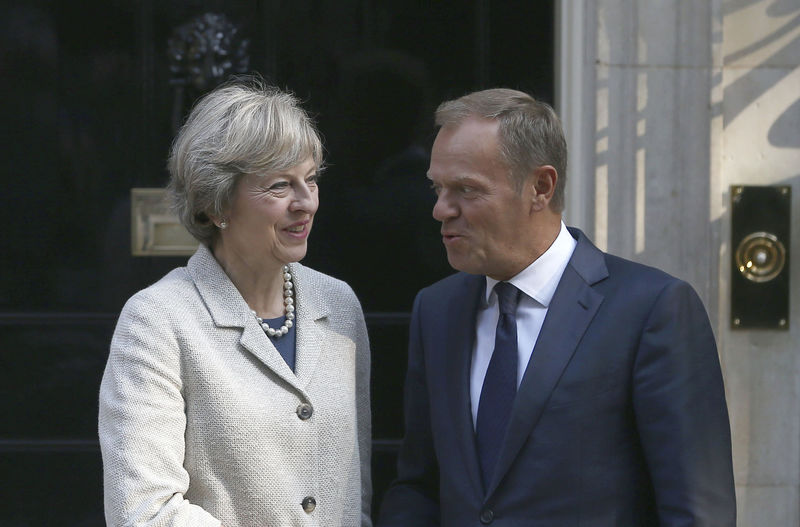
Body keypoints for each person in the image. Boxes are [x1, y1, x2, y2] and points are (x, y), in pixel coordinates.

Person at [378, 88, 735, 526]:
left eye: (466, 190)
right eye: (438, 188)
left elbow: (695, 510)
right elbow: (420, 485)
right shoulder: (436, 310)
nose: (440, 209)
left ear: (540, 188)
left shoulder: (651, 310)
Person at [99, 78, 372, 527]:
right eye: (280, 186)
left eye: (312, 180)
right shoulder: (156, 321)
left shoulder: (338, 304)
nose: (306, 203)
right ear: (216, 203)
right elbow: (144, 512)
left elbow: (352, 493)